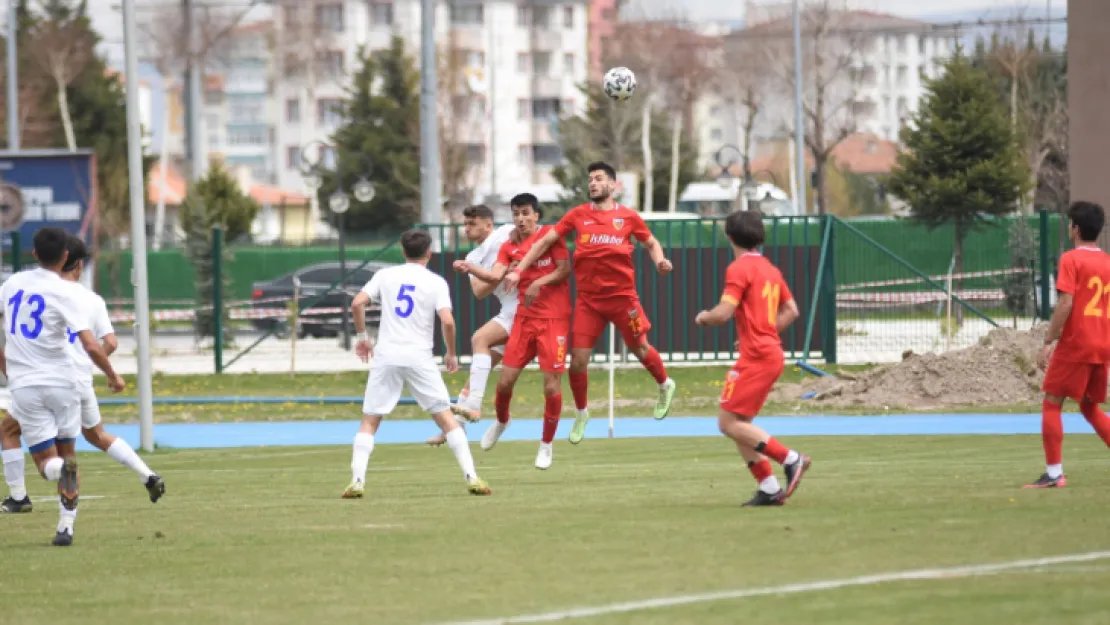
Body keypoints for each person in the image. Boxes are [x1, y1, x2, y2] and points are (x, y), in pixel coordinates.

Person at [504, 161, 676, 444]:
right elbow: (542, 242)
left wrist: (660, 261)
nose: (593, 183)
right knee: (578, 362)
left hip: (623, 298)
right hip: (589, 301)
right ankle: (582, 413)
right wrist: (520, 269)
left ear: (612, 185)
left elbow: (651, 243)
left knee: (639, 347)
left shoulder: (628, 217)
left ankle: (665, 384)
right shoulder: (577, 215)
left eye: (598, 179)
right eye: (590, 179)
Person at [0, 236, 164, 514]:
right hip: (80, 383)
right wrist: (105, 370)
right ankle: (147, 475)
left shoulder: (27, 288)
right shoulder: (91, 299)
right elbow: (109, 342)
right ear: (76, 264)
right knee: (96, 436)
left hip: (46, 379)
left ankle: (21, 498)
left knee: (13, 433)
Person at [342, 229, 492, 498]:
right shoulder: (435, 282)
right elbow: (447, 321)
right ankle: (472, 476)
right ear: (429, 253)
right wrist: (451, 353)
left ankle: (357, 480)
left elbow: (357, 303)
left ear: (402, 251)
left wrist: (363, 338)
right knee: (447, 420)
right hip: (418, 357)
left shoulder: (385, 275)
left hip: (387, 355)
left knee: (370, 421)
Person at [0, 227, 126, 545]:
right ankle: (65, 528)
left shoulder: (13, 283)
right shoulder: (66, 293)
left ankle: (57, 470)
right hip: (63, 383)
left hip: (25, 386)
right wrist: (112, 374)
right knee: (70, 453)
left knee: (46, 464)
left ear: (34, 253)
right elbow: (93, 345)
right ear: (66, 257)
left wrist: (7, 365)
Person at [694, 211, 811, 506]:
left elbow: (722, 313)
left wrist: (703, 317)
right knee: (740, 424)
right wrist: (764, 330)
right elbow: (792, 311)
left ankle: (791, 459)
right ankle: (770, 489)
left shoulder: (739, 268)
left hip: (757, 356)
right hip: (767, 352)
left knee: (728, 423)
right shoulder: (770, 269)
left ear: (729, 236)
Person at [479, 195, 572, 469]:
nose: (520, 218)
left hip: (554, 319)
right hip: (524, 320)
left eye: (525, 213)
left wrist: (537, 283)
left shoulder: (550, 237)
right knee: (505, 382)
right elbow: (497, 274)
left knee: (551, 384)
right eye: (516, 213)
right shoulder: (508, 247)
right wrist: (473, 268)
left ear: (536, 216)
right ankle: (502, 420)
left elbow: (565, 269)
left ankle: (546, 444)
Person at [1030, 201, 1110, 488]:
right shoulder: (1107, 261)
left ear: (1075, 229)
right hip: (1103, 343)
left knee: (1052, 403)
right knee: (1089, 408)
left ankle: (1053, 474)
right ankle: (1053, 474)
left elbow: (1066, 302)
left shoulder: (1071, 259)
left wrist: (1049, 340)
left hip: (1078, 342)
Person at [425, 204, 517, 446]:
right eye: (465, 224)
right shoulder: (473, 258)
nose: (466, 229)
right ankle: (457, 428)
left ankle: (474, 407)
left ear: (489, 224)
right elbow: (478, 292)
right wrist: (496, 272)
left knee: (479, 339)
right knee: (478, 370)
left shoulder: (506, 232)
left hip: (526, 308)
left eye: (471, 224)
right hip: (509, 310)